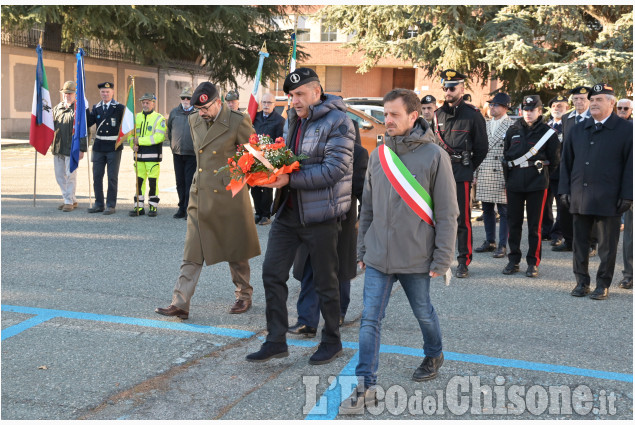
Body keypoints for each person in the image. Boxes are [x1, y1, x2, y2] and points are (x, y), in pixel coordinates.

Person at [340, 89, 458, 413]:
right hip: (378, 256)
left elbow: (448, 213)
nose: (387, 120)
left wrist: (442, 257)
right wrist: (361, 248)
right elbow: (367, 209)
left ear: (413, 116)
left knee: (423, 312)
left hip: (417, 257)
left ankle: (434, 353)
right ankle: (366, 386)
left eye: (394, 115)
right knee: (369, 320)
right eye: (385, 114)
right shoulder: (379, 155)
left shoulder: (435, 157)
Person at [245, 68, 354, 364]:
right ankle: (275, 340)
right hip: (288, 212)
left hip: (322, 215)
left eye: (300, 94)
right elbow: (288, 159)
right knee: (272, 273)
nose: (293, 101)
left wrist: (289, 180)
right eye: (291, 96)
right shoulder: (294, 118)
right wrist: (268, 166)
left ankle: (332, 340)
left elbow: (334, 170)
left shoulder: (339, 121)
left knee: (325, 281)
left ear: (317, 92)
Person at [155, 82, 260, 317]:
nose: (201, 113)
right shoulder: (194, 120)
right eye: (198, 109)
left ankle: (244, 295)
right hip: (200, 194)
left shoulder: (237, 120)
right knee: (192, 250)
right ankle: (180, 303)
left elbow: (253, 155)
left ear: (218, 102)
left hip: (228, 196)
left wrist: (239, 176)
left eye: (205, 108)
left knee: (236, 250)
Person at [288, 122, 368, 336]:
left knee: (339, 270)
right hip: (312, 219)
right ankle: (307, 321)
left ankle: (338, 313)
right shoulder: (312, 148)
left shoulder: (358, 153)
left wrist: (363, 219)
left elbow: (363, 192)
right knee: (309, 269)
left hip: (342, 221)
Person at [560, 83, 633, 300]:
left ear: (612, 103)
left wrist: (628, 194)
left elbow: (631, 165)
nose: (593, 103)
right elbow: (566, 162)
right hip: (580, 196)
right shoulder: (577, 129)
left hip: (609, 198)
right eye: (591, 100)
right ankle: (582, 282)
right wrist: (564, 190)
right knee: (580, 244)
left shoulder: (626, 130)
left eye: (599, 99)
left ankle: (603, 284)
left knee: (607, 247)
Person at [433, 69, 488, 278]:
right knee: (438, 217)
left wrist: (468, 168)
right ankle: (438, 259)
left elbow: (482, 147)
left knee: (462, 220)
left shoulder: (473, 115)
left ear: (462, 89)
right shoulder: (438, 115)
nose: (448, 91)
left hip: (461, 173)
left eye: (452, 87)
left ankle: (463, 261)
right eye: (445, 87)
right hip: (439, 173)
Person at [502, 95, 560, 278]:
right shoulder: (513, 130)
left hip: (537, 183)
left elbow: (555, 160)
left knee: (535, 226)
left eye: (532, 110)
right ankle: (513, 260)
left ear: (539, 111)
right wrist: (509, 180)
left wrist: (544, 178)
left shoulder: (548, 133)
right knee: (514, 223)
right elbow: (507, 157)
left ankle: (533, 262)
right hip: (515, 182)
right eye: (525, 110)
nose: (528, 113)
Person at [474, 92, 513, 258]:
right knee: (487, 208)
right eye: (490, 104)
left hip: (501, 171)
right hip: (484, 169)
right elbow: (478, 149)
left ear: (505, 108)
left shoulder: (512, 126)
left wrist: (510, 176)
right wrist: (475, 172)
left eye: (495, 105)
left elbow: (513, 152)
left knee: (504, 211)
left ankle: (503, 244)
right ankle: (490, 241)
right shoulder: (485, 124)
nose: (491, 107)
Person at [554, 86, 592, 252]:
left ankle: (590, 244)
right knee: (565, 204)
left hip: (588, 167)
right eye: (575, 99)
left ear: (589, 100)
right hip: (568, 166)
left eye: (582, 99)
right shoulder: (567, 118)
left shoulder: (594, 117)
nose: (578, 102)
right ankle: (569, 240)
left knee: (588, 206)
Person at [86, 82, 125, 215]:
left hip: (113, 147)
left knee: (112, 177)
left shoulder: (119, 108)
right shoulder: (96, 107)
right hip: (99, 147)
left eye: (107, 92)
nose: (105, 94)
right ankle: (99, 204)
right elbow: (88, 122)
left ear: (112, 92)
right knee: (97, 176)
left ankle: (110, 205)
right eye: (103, 92)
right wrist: (85, 108)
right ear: (100, 93)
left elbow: (126, 126)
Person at [129, 93, 166, 217]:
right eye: (143, 103)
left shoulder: (159, 118)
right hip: (139, 157)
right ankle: (138, 207)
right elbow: (130, 135)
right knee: (139, 182)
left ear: (153, 103)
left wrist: (140, 141)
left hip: (152, 156)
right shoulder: (136, 117)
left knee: (152, 182)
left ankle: (153, 207)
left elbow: (159, 137)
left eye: (147, 103)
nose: (145, 105)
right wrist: (131, 145)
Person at [251, 92, 285, 225]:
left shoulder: (279, 120)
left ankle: (266, 214)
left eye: (269, 103)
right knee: (254, 186)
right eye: (264, 102)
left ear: (274, 104)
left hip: (268, 158)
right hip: (254, 157)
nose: (266, 105)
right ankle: (258, 212)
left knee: (266, 187)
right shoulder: (255, 117)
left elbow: (280, 141)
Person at [52, 81, 87, 212]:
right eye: (65, 93)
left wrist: (82, 149)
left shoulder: (79, 110)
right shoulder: (56, 108)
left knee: (70, 175)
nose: (67, 95)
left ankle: (68, 201)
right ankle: (71, 198)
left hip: (72, 148)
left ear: (75, 94)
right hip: (58, 147)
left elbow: (84, 131)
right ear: (62, 94)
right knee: (59, 176)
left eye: (70, 93)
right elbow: (51, 127)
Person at [167, 87, 197, 219]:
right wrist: (174, 145)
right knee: (180, 182)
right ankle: (181, 208)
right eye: (183, 98)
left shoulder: (198, 114)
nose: (185, 100)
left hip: (192, 154)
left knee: (190, 182)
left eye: (188, 98)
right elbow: (169, 131)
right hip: (178, 153)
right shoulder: (174, 112)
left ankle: (189, 208)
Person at [543, 95, 569, 244]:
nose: (556, 109)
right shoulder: (546, 126)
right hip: (546, 171)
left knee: (561, 204)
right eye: (554, 106)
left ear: (566, 108)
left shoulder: (570, 125)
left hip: (561, 171)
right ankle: (545, 230)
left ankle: (558, 233)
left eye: (560, 106)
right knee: (545, 203)